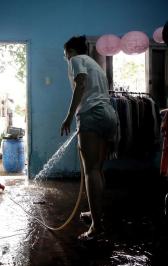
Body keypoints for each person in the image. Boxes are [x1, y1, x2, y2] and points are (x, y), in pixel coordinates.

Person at [61, 35, 119, 241]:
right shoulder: (96, 64)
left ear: (70, 51)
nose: (65, 57)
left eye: (65, 53)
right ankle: (96, 214)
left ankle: (96, 227)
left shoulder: (75, 60)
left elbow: (81, 84)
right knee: (97, 170)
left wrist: (68, 117)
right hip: (109, 115)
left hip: (91, 114)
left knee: (90, 171)